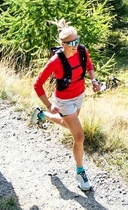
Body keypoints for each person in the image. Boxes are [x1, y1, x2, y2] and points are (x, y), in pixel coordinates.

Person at [30, 19, 103, 192]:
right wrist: (49, 105)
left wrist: (93, 80)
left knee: (67, 124)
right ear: (63, 44)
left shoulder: (82, 50)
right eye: (72, 43)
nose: (76, 45)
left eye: (77, 40)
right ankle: (80, 172)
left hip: (80, 95)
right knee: (79, 137)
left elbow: (89, 65)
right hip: (64, 100)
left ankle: (40, 115)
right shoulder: (55, 61)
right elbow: (37, 84)